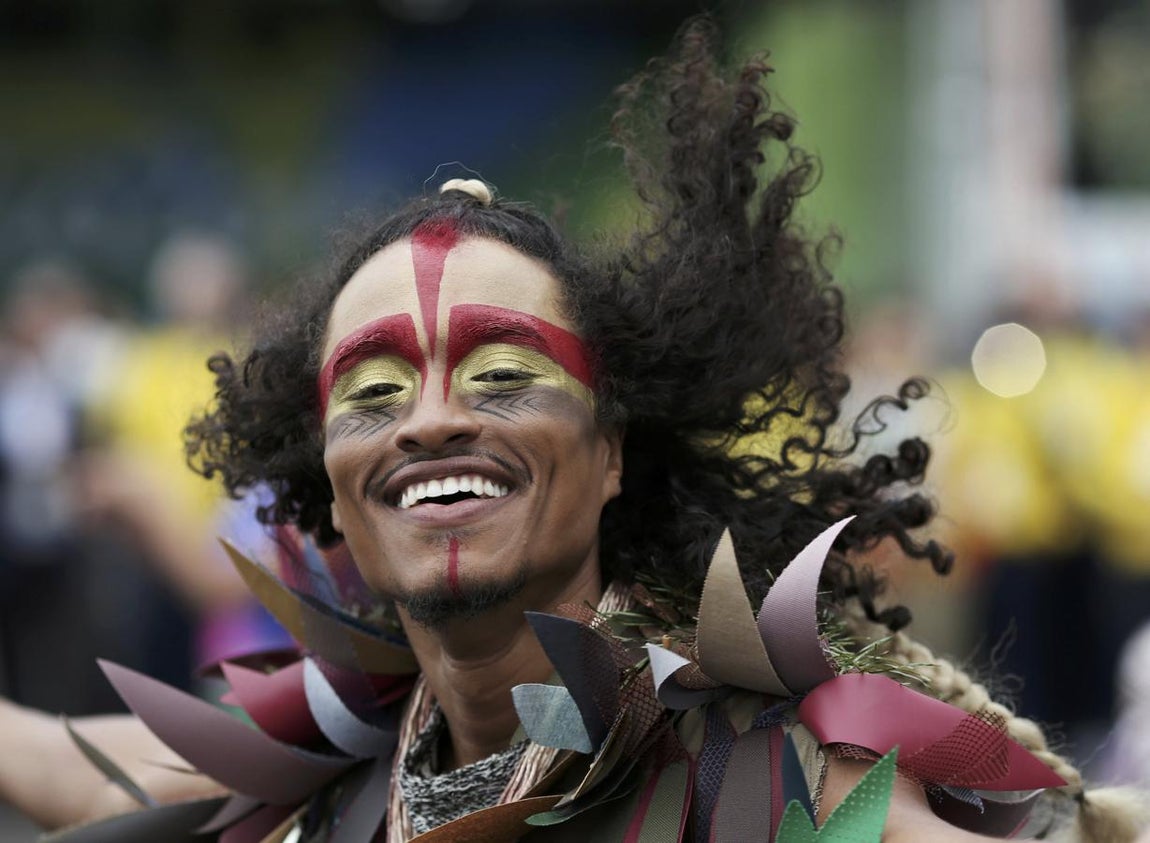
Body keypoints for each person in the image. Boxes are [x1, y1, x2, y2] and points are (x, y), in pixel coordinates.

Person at [1, 19, 1146, 842]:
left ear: (611, 452)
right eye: (373, 395)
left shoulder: (786, 788)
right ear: (329, 485)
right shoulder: (329, 762)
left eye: (501, 374)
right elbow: (92, 768)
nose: (431, 420)